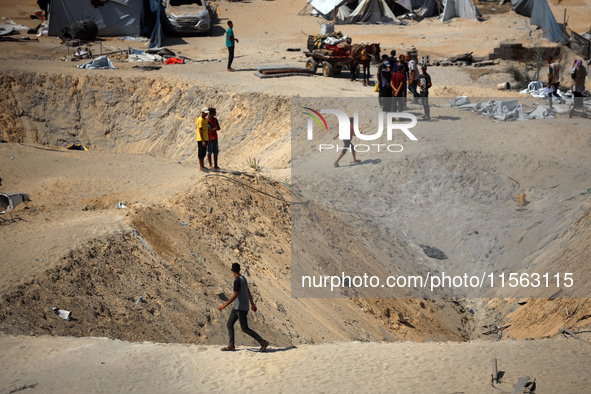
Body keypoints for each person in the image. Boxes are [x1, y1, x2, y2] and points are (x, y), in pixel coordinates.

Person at [219, 263, 269, 352]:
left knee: (245, 328)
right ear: (239, 269)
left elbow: (234, 296)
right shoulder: (243, 278)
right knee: (229, 324)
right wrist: (252, 304)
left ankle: (263, 342)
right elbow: (248, 291)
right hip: (237, 307)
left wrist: (224, 305)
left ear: (231, 270)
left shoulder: (237, 280)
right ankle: (231, 345)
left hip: (240, 308)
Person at [196, 107, 210, 172]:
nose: (206, 114)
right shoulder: (200, 120)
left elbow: (206, 129)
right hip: (201, 139)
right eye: (205, 113)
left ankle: (203, 166)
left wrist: (207, 138)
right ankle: (201, 167)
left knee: (204, 153)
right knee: (201, 153)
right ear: (202, 112)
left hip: (205, 138)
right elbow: (200, 131)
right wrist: (203, 141)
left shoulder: (205, 119)